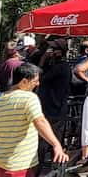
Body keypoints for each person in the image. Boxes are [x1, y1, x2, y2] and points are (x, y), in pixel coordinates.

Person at [0, 63, 68, 177]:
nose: (37, 84)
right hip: (19, 165)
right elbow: (40, 121)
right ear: (23, 81)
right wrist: (56, 144)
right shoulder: (29, 98)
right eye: (35, 81)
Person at [31, 37, 72, 167]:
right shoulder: (56, 66)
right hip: (51, 108)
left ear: (60, 52)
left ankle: (48, 173)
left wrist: (42, 61)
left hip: (53, 110)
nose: (49, 52)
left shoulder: (60, 67)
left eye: (53, 49)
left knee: (46, 142)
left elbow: (38, 77)